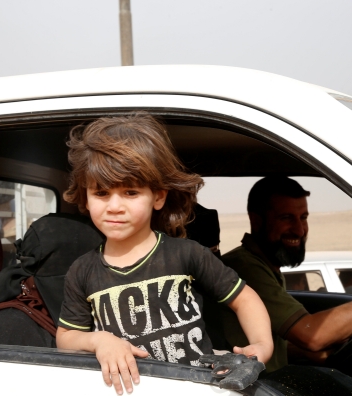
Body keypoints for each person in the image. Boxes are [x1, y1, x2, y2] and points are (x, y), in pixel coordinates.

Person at [55, 113, 274, 395]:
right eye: (101, 193)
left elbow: (244, 299)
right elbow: (66, 337)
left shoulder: (186, 254)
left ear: (158, 196)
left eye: (131, 192)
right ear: (85, 196)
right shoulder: (82, 271)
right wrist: (100, 341)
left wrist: (261, 344)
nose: (115, 206)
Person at [221, 176, 352, 374]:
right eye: (286, 218)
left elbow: (273, 339)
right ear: (256, 220)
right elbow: (312, 335)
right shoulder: (245, 268)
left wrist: (301, 352)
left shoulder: (264, 266)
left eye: (303, 217)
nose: (299, 229)